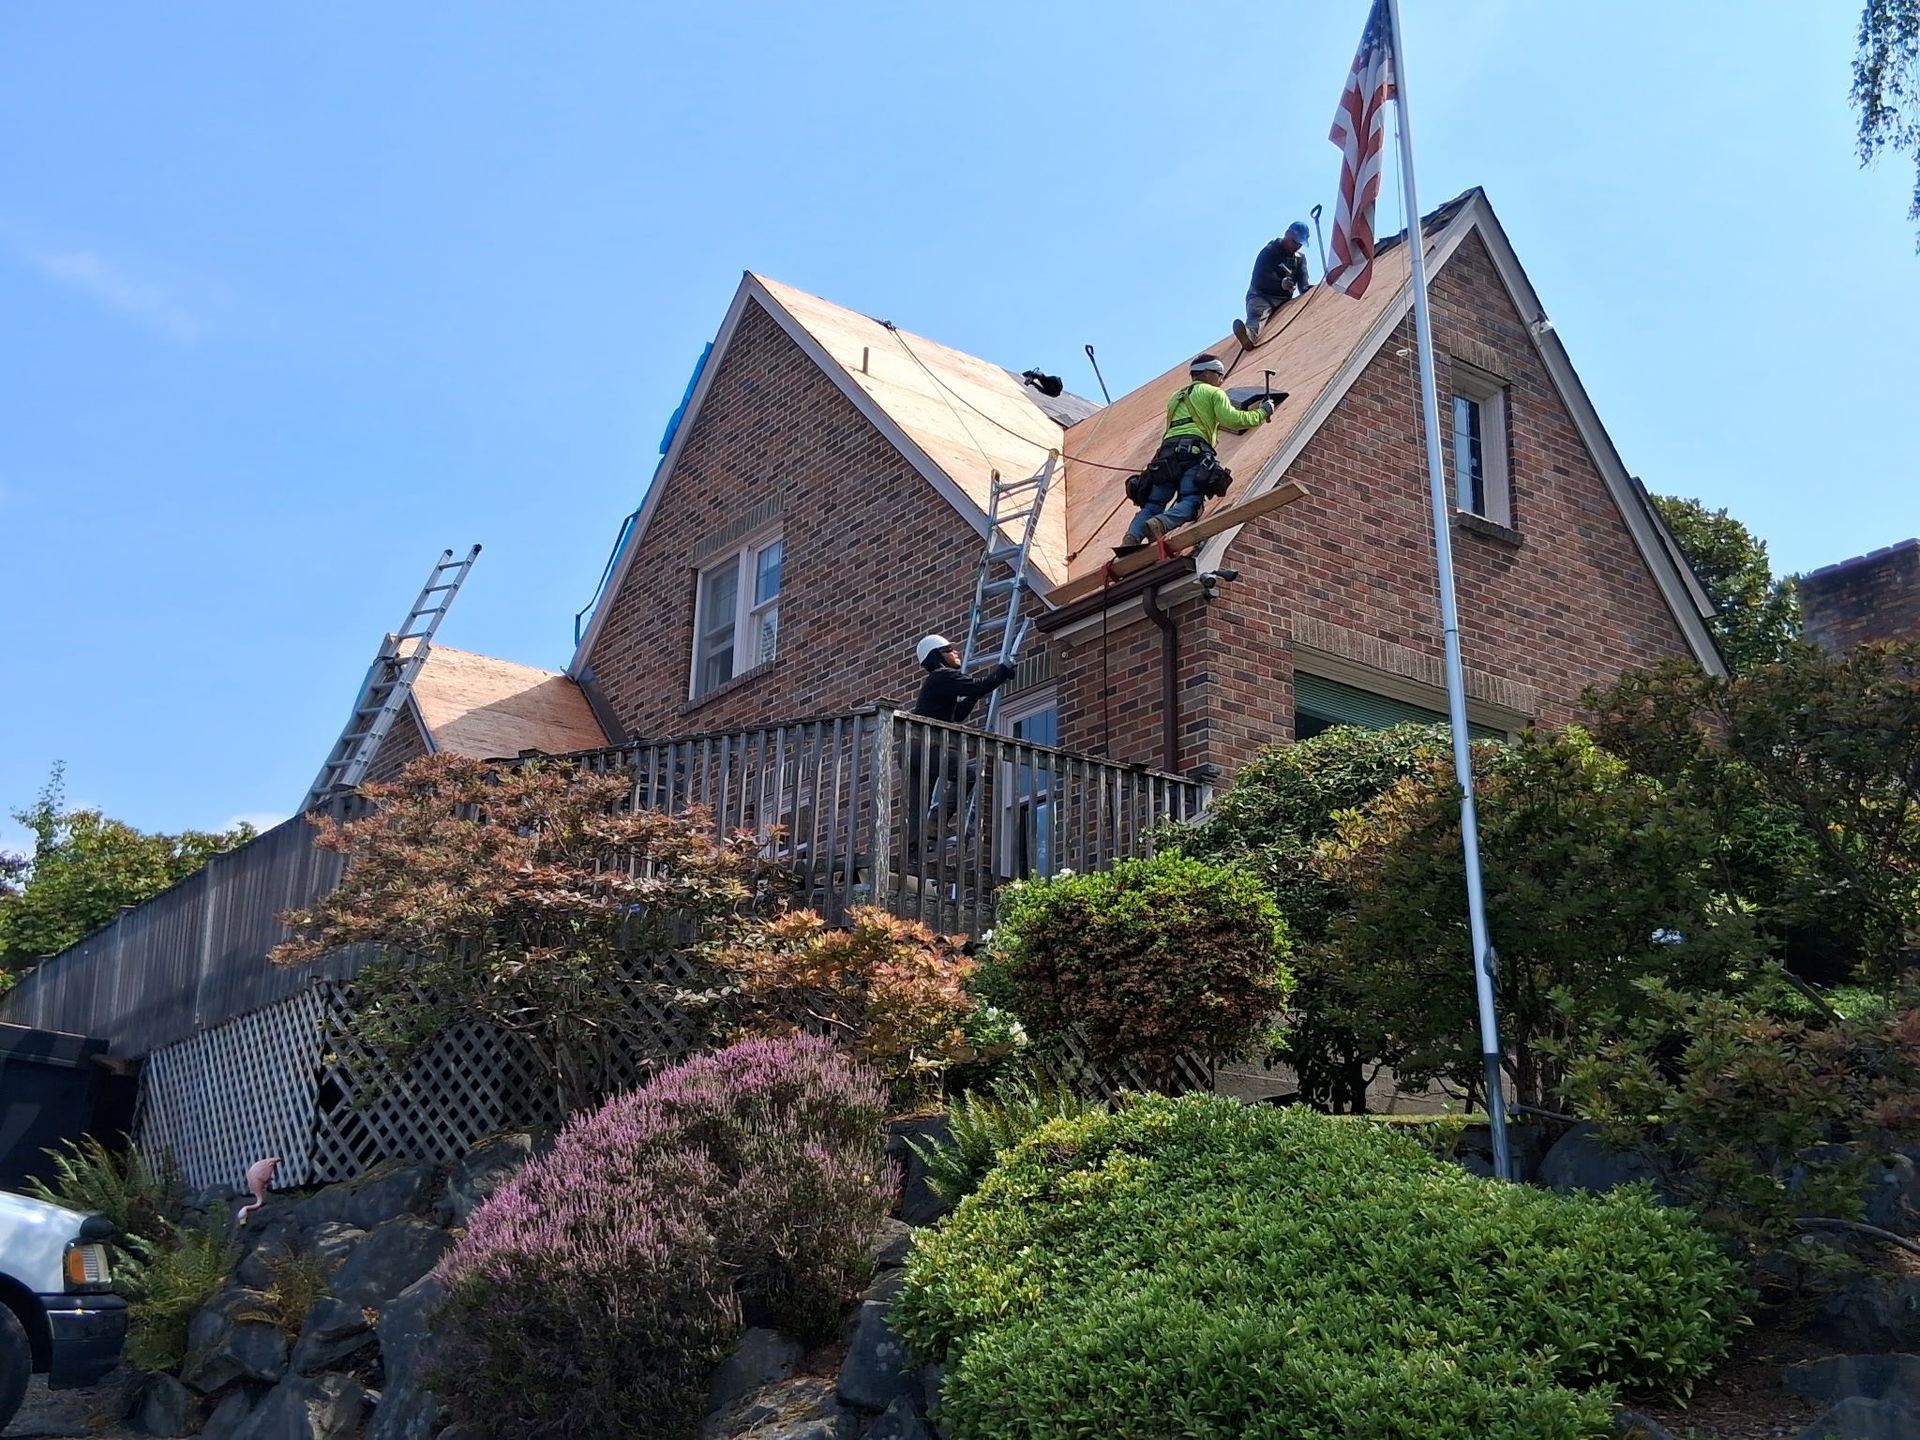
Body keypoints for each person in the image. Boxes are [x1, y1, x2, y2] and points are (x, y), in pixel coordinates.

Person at [1122, 355, 1272, 547]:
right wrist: (1263, 412)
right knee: (1191, 501)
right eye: (1219, 374)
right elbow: (1232, 420)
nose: (1221, 379)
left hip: (1166, 456)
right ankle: (1161, 523)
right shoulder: (1214, 393)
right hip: (1194, 452)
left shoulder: (1175, 397)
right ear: (1207, 373)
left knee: (1154, 503)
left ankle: (1132, 536)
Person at [905, 634, 1017, 864]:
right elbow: (978, 686)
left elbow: (957, 714)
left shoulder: (938, 682)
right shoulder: (942, 675)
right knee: (968, 774)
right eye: (950, 649)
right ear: (938, 655)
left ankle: (912, 856)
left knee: (918, 804)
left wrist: (977, 694)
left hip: (911, 749)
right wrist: (1002, 671)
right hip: (927, 746)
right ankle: (937, 818)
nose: (956, 652)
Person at [1234, 221, 1313, 349]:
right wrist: (1280, 284)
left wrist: (1308, 289)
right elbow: (1260, 278)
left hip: (1284, 301)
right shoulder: (1269, 252)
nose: (1297, 246)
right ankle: (1249, 335)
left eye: (1300, 244)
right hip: (1261, 296)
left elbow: (1303, 281)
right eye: (1294, 241)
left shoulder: (1299, 259)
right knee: (1258, 315)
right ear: (1287, 234)